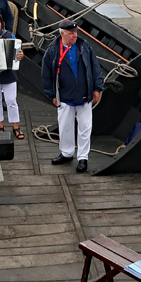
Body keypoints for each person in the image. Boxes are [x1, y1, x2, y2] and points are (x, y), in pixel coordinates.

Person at [42, 20, 104, 172]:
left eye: (75, 33)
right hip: (64, 96)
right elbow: (46, 74)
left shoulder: (85, 46)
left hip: (84, 96)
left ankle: (83, 157)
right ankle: (66, 153)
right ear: (62, 34)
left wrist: (97, 88)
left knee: (85, 128)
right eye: (71, 33)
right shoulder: (52, 50)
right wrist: (52, 94)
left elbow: (95, 68)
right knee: (65, 127)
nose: (74, 36)